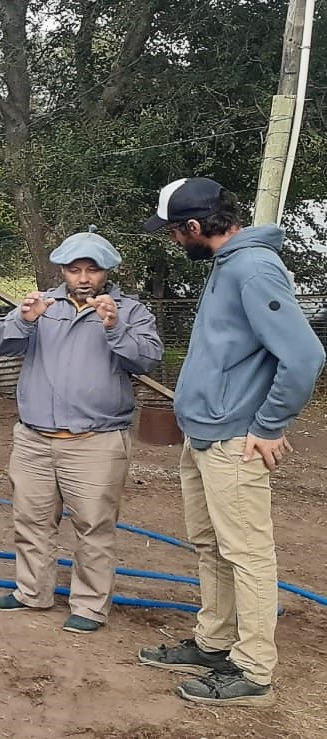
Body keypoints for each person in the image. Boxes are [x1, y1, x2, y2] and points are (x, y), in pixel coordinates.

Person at [137, 178, 325, 707]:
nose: (173, 240)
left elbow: (305, 357)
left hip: (234, 441)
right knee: (210, 544)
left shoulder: (253, 267)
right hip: (205, 435)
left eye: (174, 231)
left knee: (247, 554)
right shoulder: (229, 266)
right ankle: (215, 643)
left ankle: (253, 670)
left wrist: (267, 426)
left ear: (195, 228)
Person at [0, 227, 163, 633]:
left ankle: (87, 607)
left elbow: (148, 360)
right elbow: (1, 343)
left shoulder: (130, 311)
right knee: (30, 520)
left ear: (108, 272)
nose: (83, 278)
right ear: (62, 271)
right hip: (33, 438)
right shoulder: (42, 306)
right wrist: (23, 319)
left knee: (94, 527)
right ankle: (32, 592)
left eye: (92, 270)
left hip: (96, 441)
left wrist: (114, 327)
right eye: (74, 269)